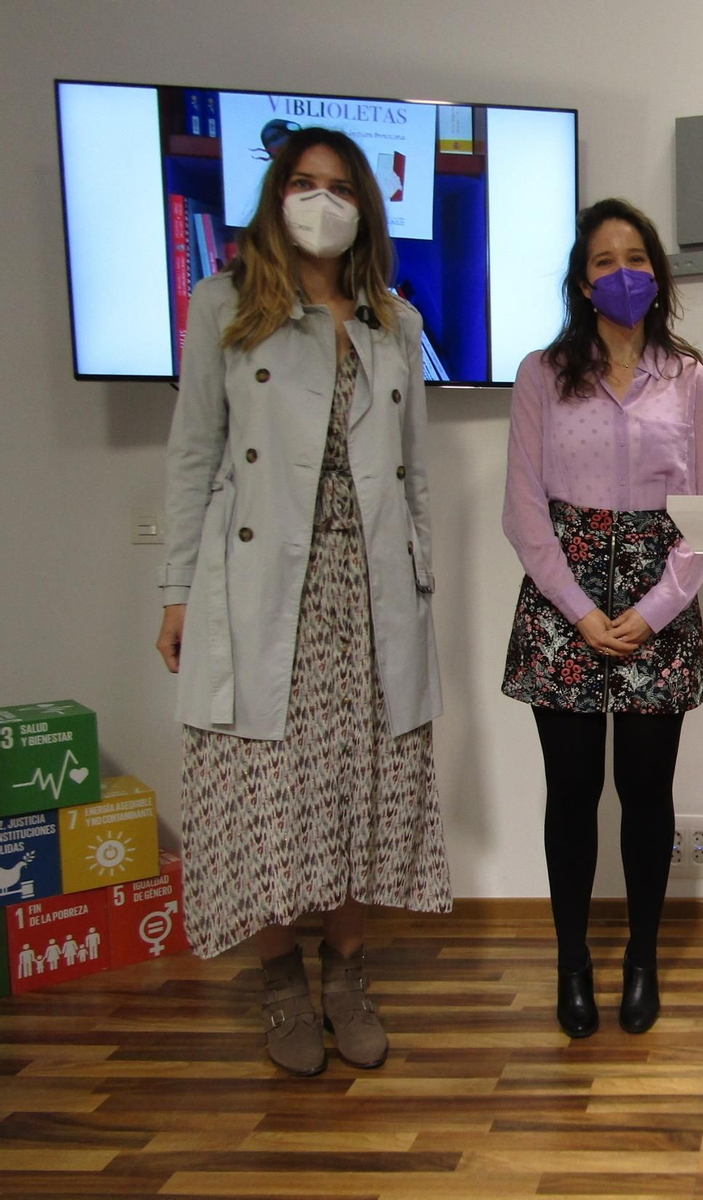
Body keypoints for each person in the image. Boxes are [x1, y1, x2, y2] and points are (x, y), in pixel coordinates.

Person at [157, 127, 450, 1077]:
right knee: (265, 799)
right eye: (302, 183)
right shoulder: (224, 307)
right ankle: (280, 983)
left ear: (364, 204)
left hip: (367, 594)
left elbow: (413, 476)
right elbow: (194, 457)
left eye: (338, 186)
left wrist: (421, 578)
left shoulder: (393, 323)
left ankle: (348, 976)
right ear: (275, 195)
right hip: (257, 587)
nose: (319, 200)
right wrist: (174, 596)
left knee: (355, 793)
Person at [502, 198, 703, 1039]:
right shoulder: (540, 374)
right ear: (581, 280)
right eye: (603, 260)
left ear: (658, 274)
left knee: (646, 793)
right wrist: (584, 610)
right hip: (564, 601)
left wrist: (656, 606)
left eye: (636, 257)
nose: (622, 273)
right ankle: (571, 960)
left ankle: (641, 958)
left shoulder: (691, 378)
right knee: (571, 792)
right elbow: (524, 510)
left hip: (660, 598)